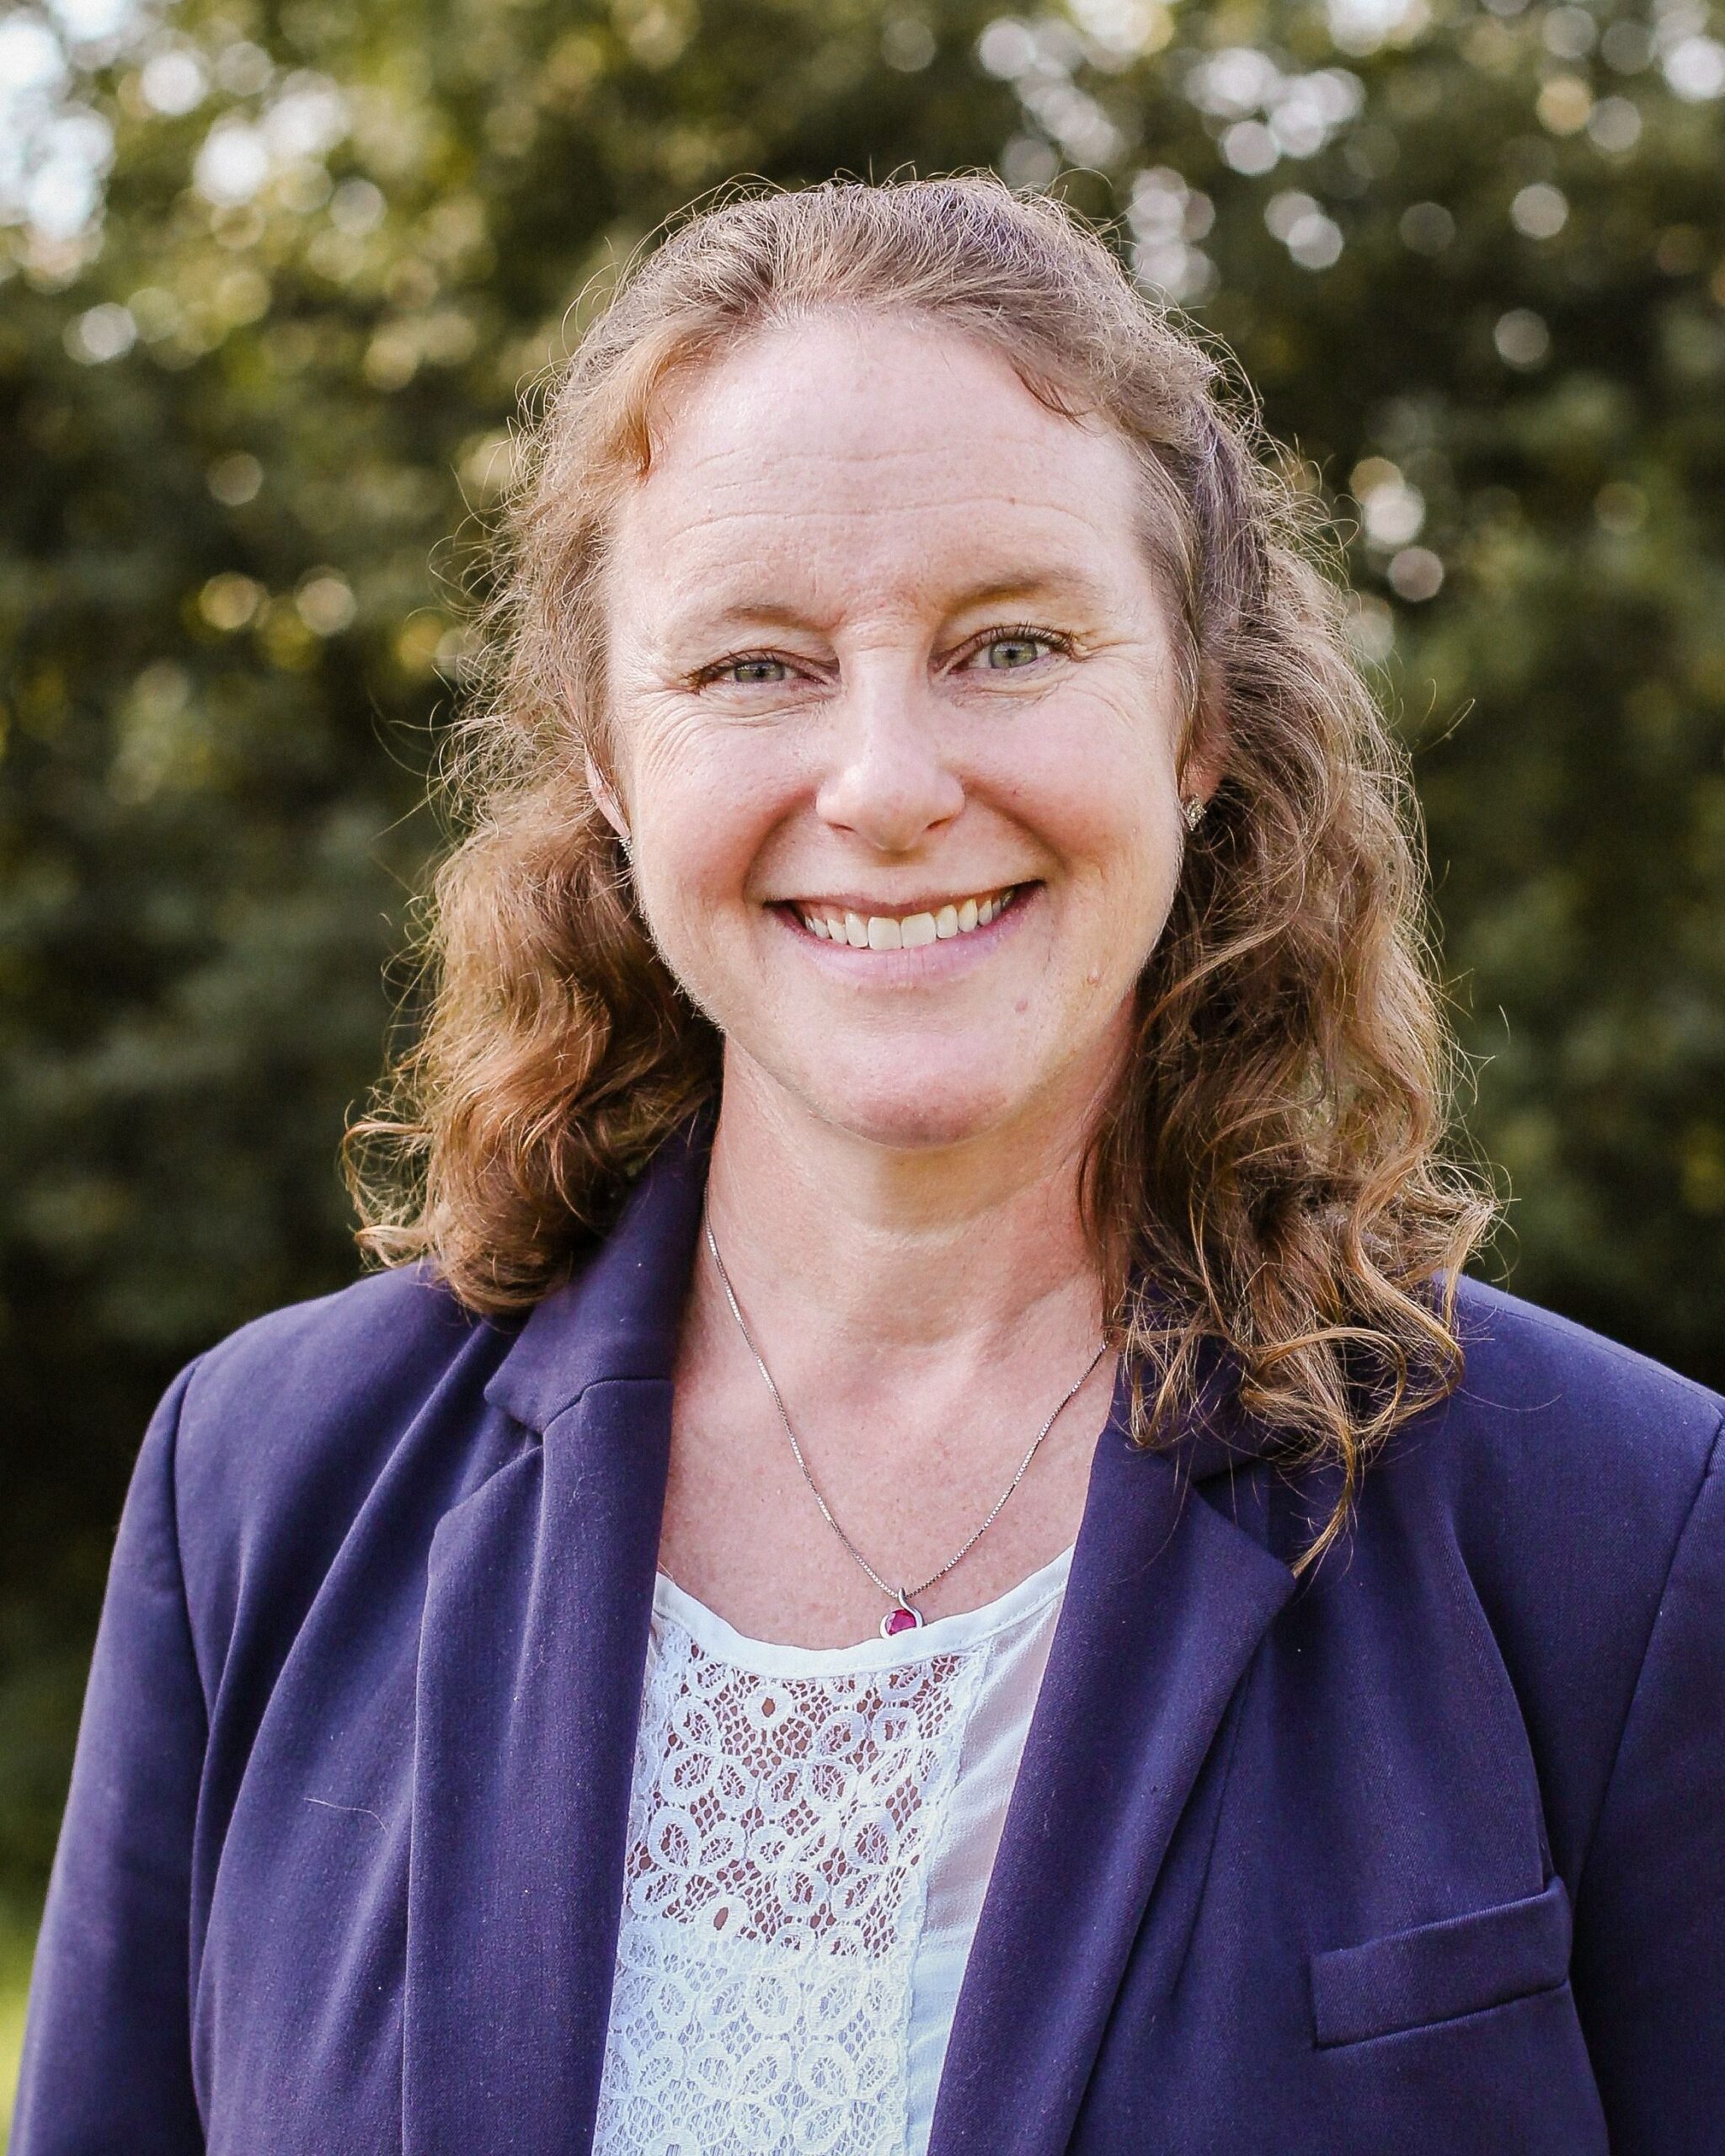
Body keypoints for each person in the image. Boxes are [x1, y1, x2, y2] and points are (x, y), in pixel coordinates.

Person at [13, 177, 1722, 2156]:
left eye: (1009, 642)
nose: (892, 785)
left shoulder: (1618, 1530)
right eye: (755, 666)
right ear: (602, 757)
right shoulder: (260, 1489)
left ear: (1192, 719)